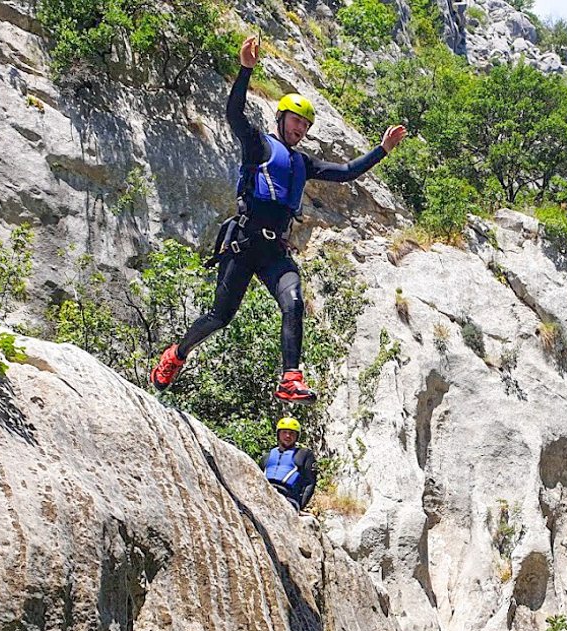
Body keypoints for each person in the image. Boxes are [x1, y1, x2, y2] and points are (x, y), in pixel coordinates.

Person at [150, 35, 407, 403]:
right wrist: (246, 69)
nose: (300, 129)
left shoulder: (304, 163)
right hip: (244, 242)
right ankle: (176, 355)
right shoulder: (259, 144)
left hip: (275, 251)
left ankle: (290, 379)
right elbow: (234, 115)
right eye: (295, 121)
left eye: (305, 125)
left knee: (294, 302)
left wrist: (382, 150)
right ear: (281, 118)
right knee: (218, 318)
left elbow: (347, 171)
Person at [263, 417, 317, 510]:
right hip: (264, 494)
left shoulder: (304, 454)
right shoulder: (267, 456)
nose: (288, 436)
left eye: (292, 433)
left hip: (288, 499)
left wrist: (300, 506)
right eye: (284, 432)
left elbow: (310, 483)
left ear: (297, 436)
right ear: (278, 434)